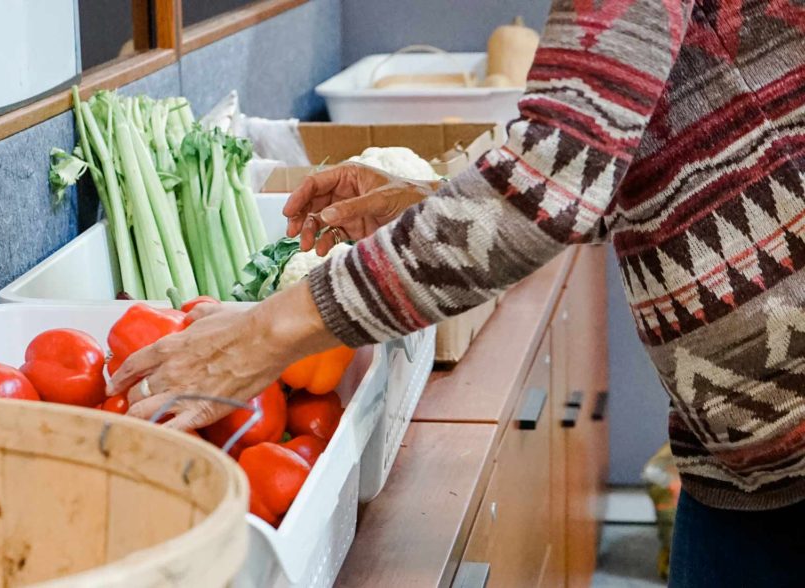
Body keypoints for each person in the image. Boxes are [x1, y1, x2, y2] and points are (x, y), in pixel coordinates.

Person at [109, 1, 805, 585]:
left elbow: (551, 179)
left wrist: (263, 335)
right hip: (739, 466)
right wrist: (432, 200)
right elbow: (634, 160)